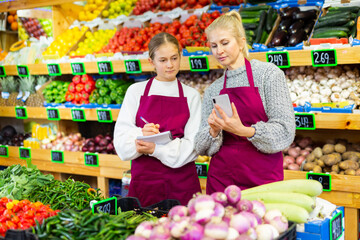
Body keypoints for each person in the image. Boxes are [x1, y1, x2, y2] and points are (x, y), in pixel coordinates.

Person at [195, 10, 296, 194]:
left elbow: (285, 131)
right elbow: (200, 147)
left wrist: (244, 130)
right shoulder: (213, 90)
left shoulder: (268, 75)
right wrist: (213, 131)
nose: (219, 51)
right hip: (221, 181)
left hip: (263, 180)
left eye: (225, 43)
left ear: (241, 42)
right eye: (214, 45)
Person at [114, 32, 201, 207]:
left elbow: (193, 146)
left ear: (180, 56)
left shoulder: (192, 96)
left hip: (182, 185)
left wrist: (156, 149)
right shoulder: (135, 91)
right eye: (163, 60)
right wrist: (140, 133)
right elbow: (121, 144)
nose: (170, 65)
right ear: (151, 62)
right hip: (145, 185)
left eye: (174, 58)